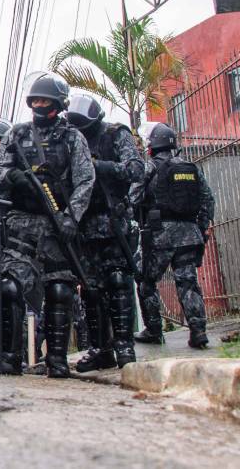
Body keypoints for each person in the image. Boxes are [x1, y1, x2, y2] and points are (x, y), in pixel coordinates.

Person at [0, 73, 95, 377]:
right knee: (9, 288)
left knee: (60, 291)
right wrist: (13, 177)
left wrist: (71, 217)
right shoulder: (18, 135)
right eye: (35, 100)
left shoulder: (73, 138)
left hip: (57, 226)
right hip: (21, 225)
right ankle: (11, 357)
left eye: (45, 101)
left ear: (58, 104)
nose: (39, 105)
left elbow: (85, 180)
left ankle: (57, 360)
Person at [65, 95, 144, 372]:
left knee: (118, 282)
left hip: (113, 222)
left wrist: (98, 167)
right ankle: (100, 348)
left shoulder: (115, 134)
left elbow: (136, 169)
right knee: (90, 289)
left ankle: (124, 344)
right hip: (83, 225)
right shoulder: (70, 139)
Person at [135, 123, 214, 349]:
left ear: (152, 145)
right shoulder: (191, 167)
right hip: (190, 235)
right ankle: (198, 331)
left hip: (160, 235)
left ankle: (153, 329)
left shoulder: (150, 167)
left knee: (145, 280)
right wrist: (199, 227)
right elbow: (208, 200)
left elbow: (133, 196)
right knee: (187, 282)